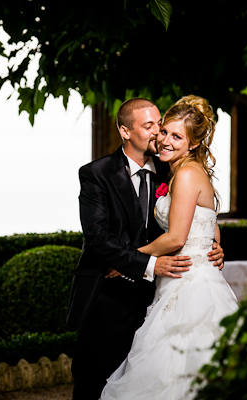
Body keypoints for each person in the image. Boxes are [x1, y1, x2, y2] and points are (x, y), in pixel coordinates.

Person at [66, 98, 225, 400]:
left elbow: (201, 218)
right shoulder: (96, 174)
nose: (158, 135)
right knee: (94, 381)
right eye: (151, 127)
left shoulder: (172, 169)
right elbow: (98, 239)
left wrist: (214, 245)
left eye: (161, 126)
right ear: (126, 132)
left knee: (155, 378)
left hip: (158, 296)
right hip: (109, 294)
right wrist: (147, 263)